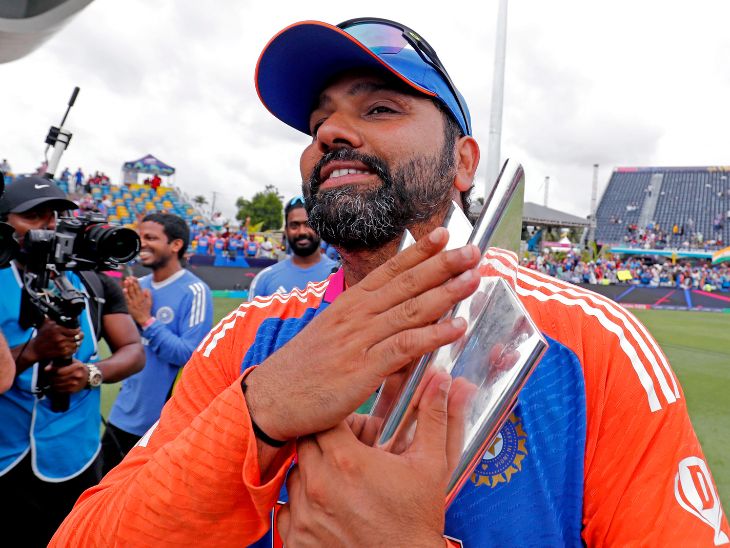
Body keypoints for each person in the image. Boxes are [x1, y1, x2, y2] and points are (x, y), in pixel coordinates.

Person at [53, 18, 728, 547]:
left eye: (379, 108)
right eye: (318, 122)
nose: (332, 134)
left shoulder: (592, 345)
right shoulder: (249, 341)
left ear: (464, 162)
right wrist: (258, 414)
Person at [0, 175, 144, 546]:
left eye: (53, 216)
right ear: (5, 224)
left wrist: (91, 373)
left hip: (76, 456)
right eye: (32, 216)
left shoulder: (93, 282)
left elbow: (133, 351)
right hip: (7, 455)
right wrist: (34, 350)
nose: (47, 226)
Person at [101, 213, 213, 474]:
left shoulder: (195, 291)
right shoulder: (137, 287)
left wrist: (146, 320)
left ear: (175, 245)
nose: (142, 243)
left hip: (160, 424)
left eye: (151, 237)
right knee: (102, 493)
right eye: (140, 237)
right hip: (122, 413)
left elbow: (189, 355)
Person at [248, 196, 337, 300]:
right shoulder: (264, 279)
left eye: (309, 224)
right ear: (286, 230)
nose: (302, 232)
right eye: (294, 225)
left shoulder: (342, 275)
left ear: (319, 227)